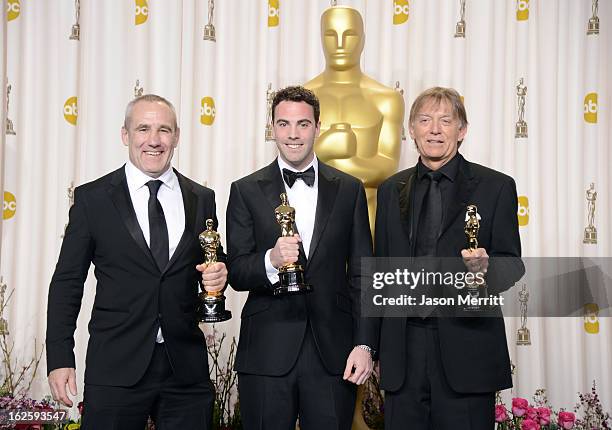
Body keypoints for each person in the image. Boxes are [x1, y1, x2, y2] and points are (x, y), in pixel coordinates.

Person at [45, 94, 227, 429]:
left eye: (164, 130)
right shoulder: (93, 199)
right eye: (143, 129)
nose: (154, 141)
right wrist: (59, 358)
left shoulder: (202, 199)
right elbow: (67, 282)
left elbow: (212, 261)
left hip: (184, 370)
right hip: (115, 366)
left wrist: (220, 274)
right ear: (125, 135)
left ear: (177, 137)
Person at [226, 86, 377, 429]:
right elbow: (236, 270)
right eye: (283, 124)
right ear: (273, 128)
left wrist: (365, 343)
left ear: (318, 126)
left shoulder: (349, 188)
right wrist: (271, 260)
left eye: (303, 124)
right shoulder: (245, 190)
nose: (293, 134)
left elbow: (363, 273)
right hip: (266, 350)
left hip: (334, 353)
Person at [375, 87, 524, 429]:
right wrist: (374, 346)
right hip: (404, 352)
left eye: (446, 120)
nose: (435, 129)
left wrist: (486, 270)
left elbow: (512, 263)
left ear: (462, 130)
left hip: (467, 348)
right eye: (425, 120)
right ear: (411, 129)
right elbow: (378, 275)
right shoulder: (389, 190)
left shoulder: (496, 187)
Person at [304, 5, 404, 231]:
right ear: (321, 38)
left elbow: (387, 168)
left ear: (363, 39)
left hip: (367, 216)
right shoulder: (302, 98)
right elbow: (288, 164)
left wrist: (339, 161)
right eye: (331, 35)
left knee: (364, 266)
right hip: (309, 216)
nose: (339, 44)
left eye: (349, 35)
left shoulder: (386, 98)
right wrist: (327, 148)